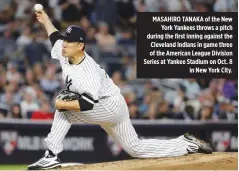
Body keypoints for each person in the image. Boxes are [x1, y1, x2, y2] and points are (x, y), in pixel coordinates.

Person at [28, 9, 213, 170]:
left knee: (65, 109)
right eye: (66, 40)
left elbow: (87, 103)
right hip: (114, 103)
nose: (65, 44)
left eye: (69, 41)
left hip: (108, 105)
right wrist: (46, 21)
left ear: (81, 46)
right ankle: (186, 144)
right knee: (135, 148)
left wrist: (59, 103)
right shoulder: (66, 51)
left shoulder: (87, 72)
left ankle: (51, 155)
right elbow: (55, 37)